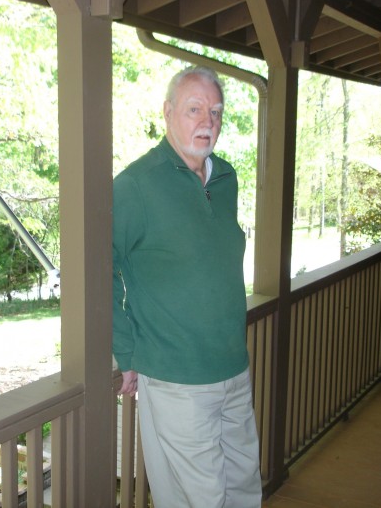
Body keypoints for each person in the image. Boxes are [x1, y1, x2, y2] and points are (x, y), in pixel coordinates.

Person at [112, 66, 262, 508]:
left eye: (215, 112)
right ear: (167, 113)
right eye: (194, 109)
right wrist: (126, 349)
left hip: (234, 369)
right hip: (178, 379)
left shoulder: (226, 177)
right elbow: (96, 266)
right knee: (200, 499)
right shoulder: (135, 186)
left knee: (244, 489)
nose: (207, 122)